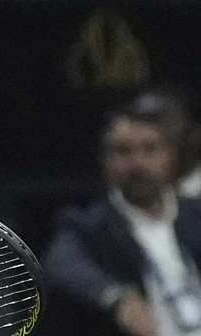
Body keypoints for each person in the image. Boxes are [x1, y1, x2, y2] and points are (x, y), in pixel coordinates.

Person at [44, 96, 201, 336]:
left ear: (170, 155)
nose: (137, 163)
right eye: (123, 151)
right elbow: (62, 265)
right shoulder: (86, 225)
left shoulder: (195, 212)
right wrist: (116, 298)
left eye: (150, 149)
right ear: (105, 160)